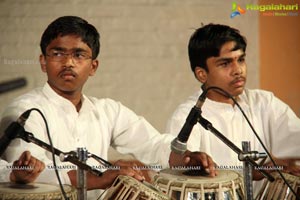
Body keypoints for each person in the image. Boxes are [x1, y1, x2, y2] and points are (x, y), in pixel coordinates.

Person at [0, 16, 216, 199]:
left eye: (78, 54)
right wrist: (99, 177)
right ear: (43, 62)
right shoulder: (24, 112)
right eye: (58, 53)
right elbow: (28, 176)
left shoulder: (107, 111)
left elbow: (152, 145)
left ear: (93, 66)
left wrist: (185, 158)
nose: (68, 63)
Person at [166, 23, 300, 195]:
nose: (238, 70)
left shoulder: (264, 103)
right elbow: (180, 174)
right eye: (225, 63)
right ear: (202, 74)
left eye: (241, 59)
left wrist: (285, 164)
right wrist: (249, 173)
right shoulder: (186, 116)